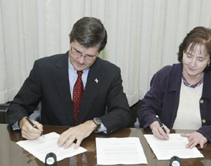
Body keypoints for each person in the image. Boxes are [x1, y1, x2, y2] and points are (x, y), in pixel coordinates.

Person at [7, 17, 131, 149]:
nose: (81, 60)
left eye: (89, 56)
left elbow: (123, 113)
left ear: (99, 52)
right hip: (53, 146)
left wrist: (93, 124)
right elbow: (17, 106)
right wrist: (22, 123)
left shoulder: (110, 73)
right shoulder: (44, 69)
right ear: (70, 39)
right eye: (77, 51)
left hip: (90, 148)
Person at [138, 26, 211, 149]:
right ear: (182, 52)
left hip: (201, 149)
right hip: (166, 146)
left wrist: (206, 133)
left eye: (200, 59)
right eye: (189, 55)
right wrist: (153, 123)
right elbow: (145, 108)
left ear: (209, 60)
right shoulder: (166, 75)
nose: (192, 64)